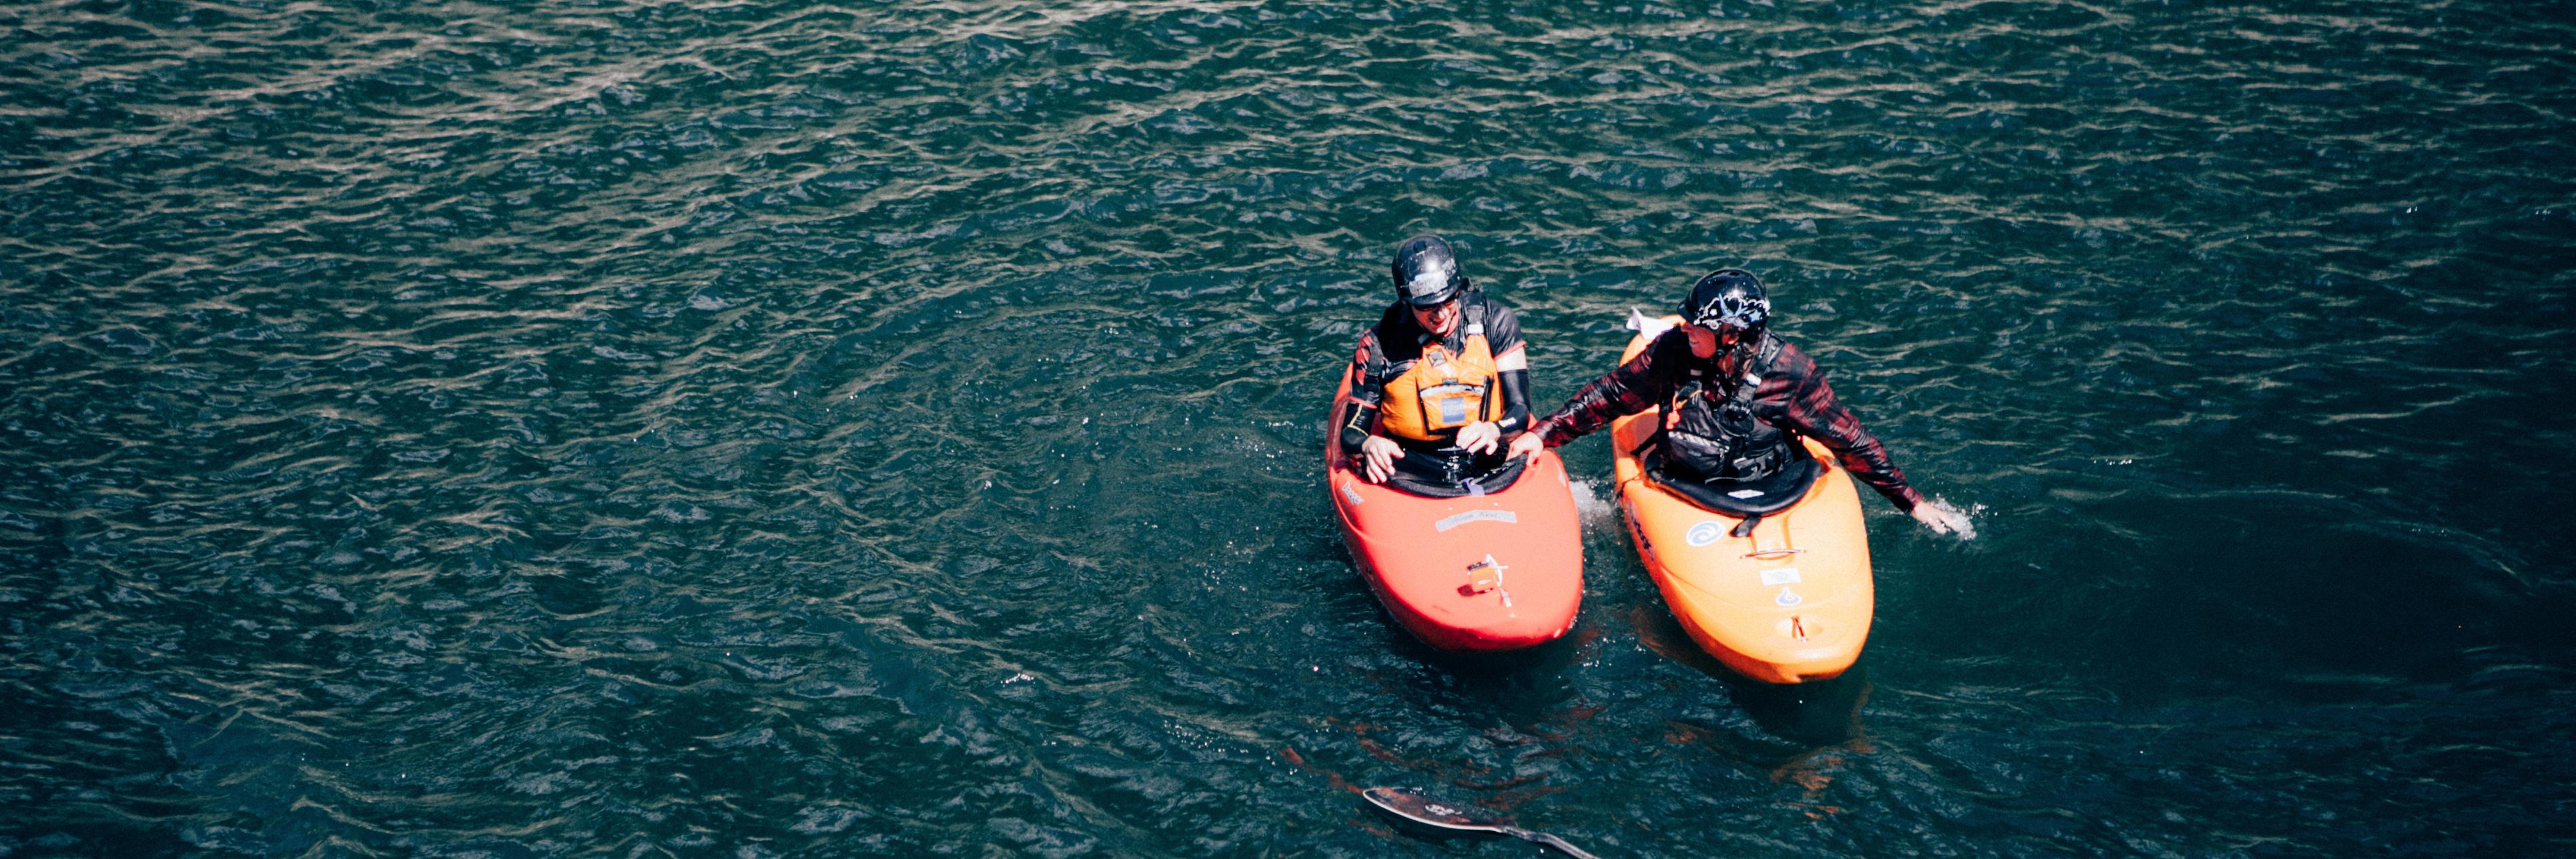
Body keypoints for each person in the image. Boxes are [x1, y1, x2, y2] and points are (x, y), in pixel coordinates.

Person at [1506, 268, 1972, 535]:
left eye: (1697, 327)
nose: (1684, 330)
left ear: (1731, 334)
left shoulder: (1789, 371)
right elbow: (1611, 396)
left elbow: (1849, 439)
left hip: (1771, 483)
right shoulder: (1674, 350)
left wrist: (1913, 503)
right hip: (1685, 480)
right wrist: (1541, 435)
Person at [1336, 235, 1535, 498]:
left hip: (1488, 455)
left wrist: (1494, 429)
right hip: (1412, 464)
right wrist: (1368, 443)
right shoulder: (1377, 345)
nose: (1440, 314)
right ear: (1407, 302)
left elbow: (1520, 409)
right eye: (1427, 307)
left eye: (1448, 301)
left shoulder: (1497, 322)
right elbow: (1351, 431)